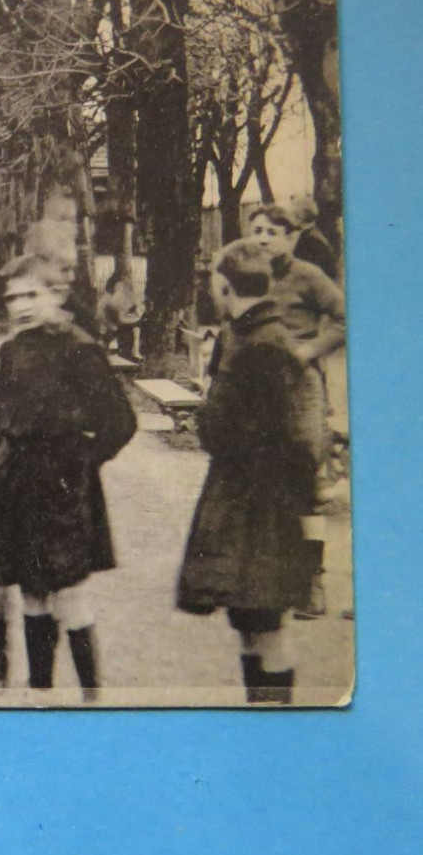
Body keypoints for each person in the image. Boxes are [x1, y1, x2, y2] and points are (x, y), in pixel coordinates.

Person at [0, 253, 136, 700]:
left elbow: (119, 422)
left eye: (32, 294)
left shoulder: (80, 349)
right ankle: (40, 692)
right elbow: (0, 415)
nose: (21, 305)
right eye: (13, 297)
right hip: (16, 483)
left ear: (57, 295)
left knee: (70, 592)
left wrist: (80, 461)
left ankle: (91, 695)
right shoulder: (12, 349)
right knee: (30, 590)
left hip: (63, 485)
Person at [176, 239, 315, 704]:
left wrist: (206, 419)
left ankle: (277, 730)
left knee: (267, 624)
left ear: (223, 285)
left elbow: (278, 433)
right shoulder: (247, 334)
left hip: (261, 504)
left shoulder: (262, 344)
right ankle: (261, 712)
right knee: (250, 621)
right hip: (249, 499)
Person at [246, 201, 347, 619]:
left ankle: (311, 582)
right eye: (258, 230)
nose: (265, 238)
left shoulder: (309, 277)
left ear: (291, 238)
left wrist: (308, 350)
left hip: (300, 389)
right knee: (254, 477)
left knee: (303, 481)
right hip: (255, 391)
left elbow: (344, 318)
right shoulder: (244, 274)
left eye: (274, 231)